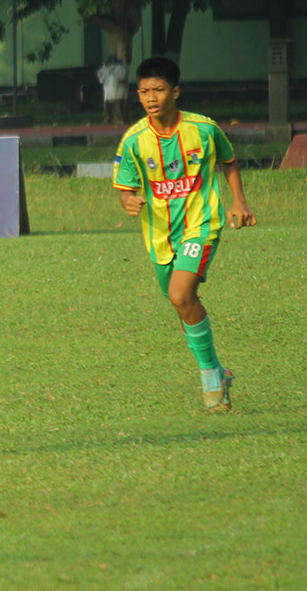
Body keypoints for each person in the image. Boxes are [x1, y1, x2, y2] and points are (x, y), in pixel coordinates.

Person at [113, 57, 256, 412]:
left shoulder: (203, 129)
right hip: (160, 235)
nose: (151, 97)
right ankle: (220, 371)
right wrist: (129, 201)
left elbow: (228, 160)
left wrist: (239, 201)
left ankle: (210, 377)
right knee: (182, 305)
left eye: (159, 90)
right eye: (144, 91)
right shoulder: (133, 141)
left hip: (201, 224)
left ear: (175, 92)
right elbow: (125, 188)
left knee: (180, 294)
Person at [97, 56, 129, 124]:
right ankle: (119, 121)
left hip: (108, 95)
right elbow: (122, 78)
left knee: (109, 113)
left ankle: (109, 122)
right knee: (119, 112)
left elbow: (101, 80)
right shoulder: (121, 68)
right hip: (120, 94)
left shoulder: (104, 70)